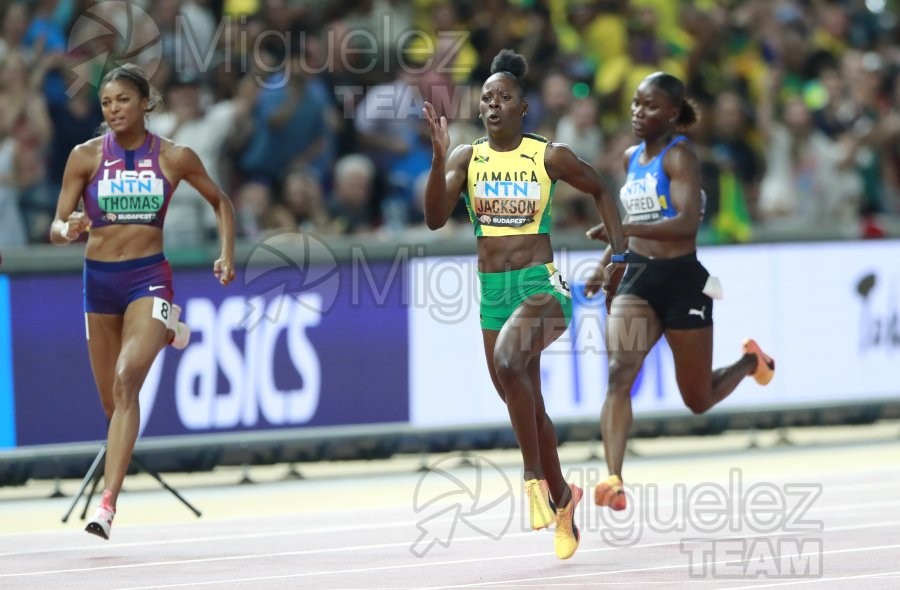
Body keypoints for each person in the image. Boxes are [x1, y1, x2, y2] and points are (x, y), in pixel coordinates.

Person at [422, 49, 626, 560]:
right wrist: (435, 157)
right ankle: (563, 500)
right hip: (492, 291)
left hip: (541, 287)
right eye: (486, 98)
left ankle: (532, 476)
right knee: (527, 406)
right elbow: (432, 218)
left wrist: (619, 255)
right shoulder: (466, 158)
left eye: (504, 97)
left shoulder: (547, 155)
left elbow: (602, 189)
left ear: (523, 106)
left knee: (509, 361)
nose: (493, 105)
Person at [49, 64, 236, 540]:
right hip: (100, 283)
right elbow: (55, 226)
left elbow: (221, 202)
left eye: (122, 101)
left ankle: (107, 507)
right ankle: (168, 329)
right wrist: (67, 229)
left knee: (127, 379)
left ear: (145, 103)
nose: (113, 110)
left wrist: (226, 253)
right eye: (106, 103)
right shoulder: (84, 157)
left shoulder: (174, 157)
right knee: (112, 405)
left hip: (147, 278)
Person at [583, 72, 775, 512]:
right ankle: (613, 478)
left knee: (698, 400)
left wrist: (623, 226)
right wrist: (604, 263)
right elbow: (626, 228)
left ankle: (750, 361)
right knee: (619, 372)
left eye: (650, 106)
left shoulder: (681, 155)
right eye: (635, 103)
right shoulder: (631, 157)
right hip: (638, 278)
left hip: (683, 281)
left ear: (672, 114)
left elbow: (687, 224)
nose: (638, 112)